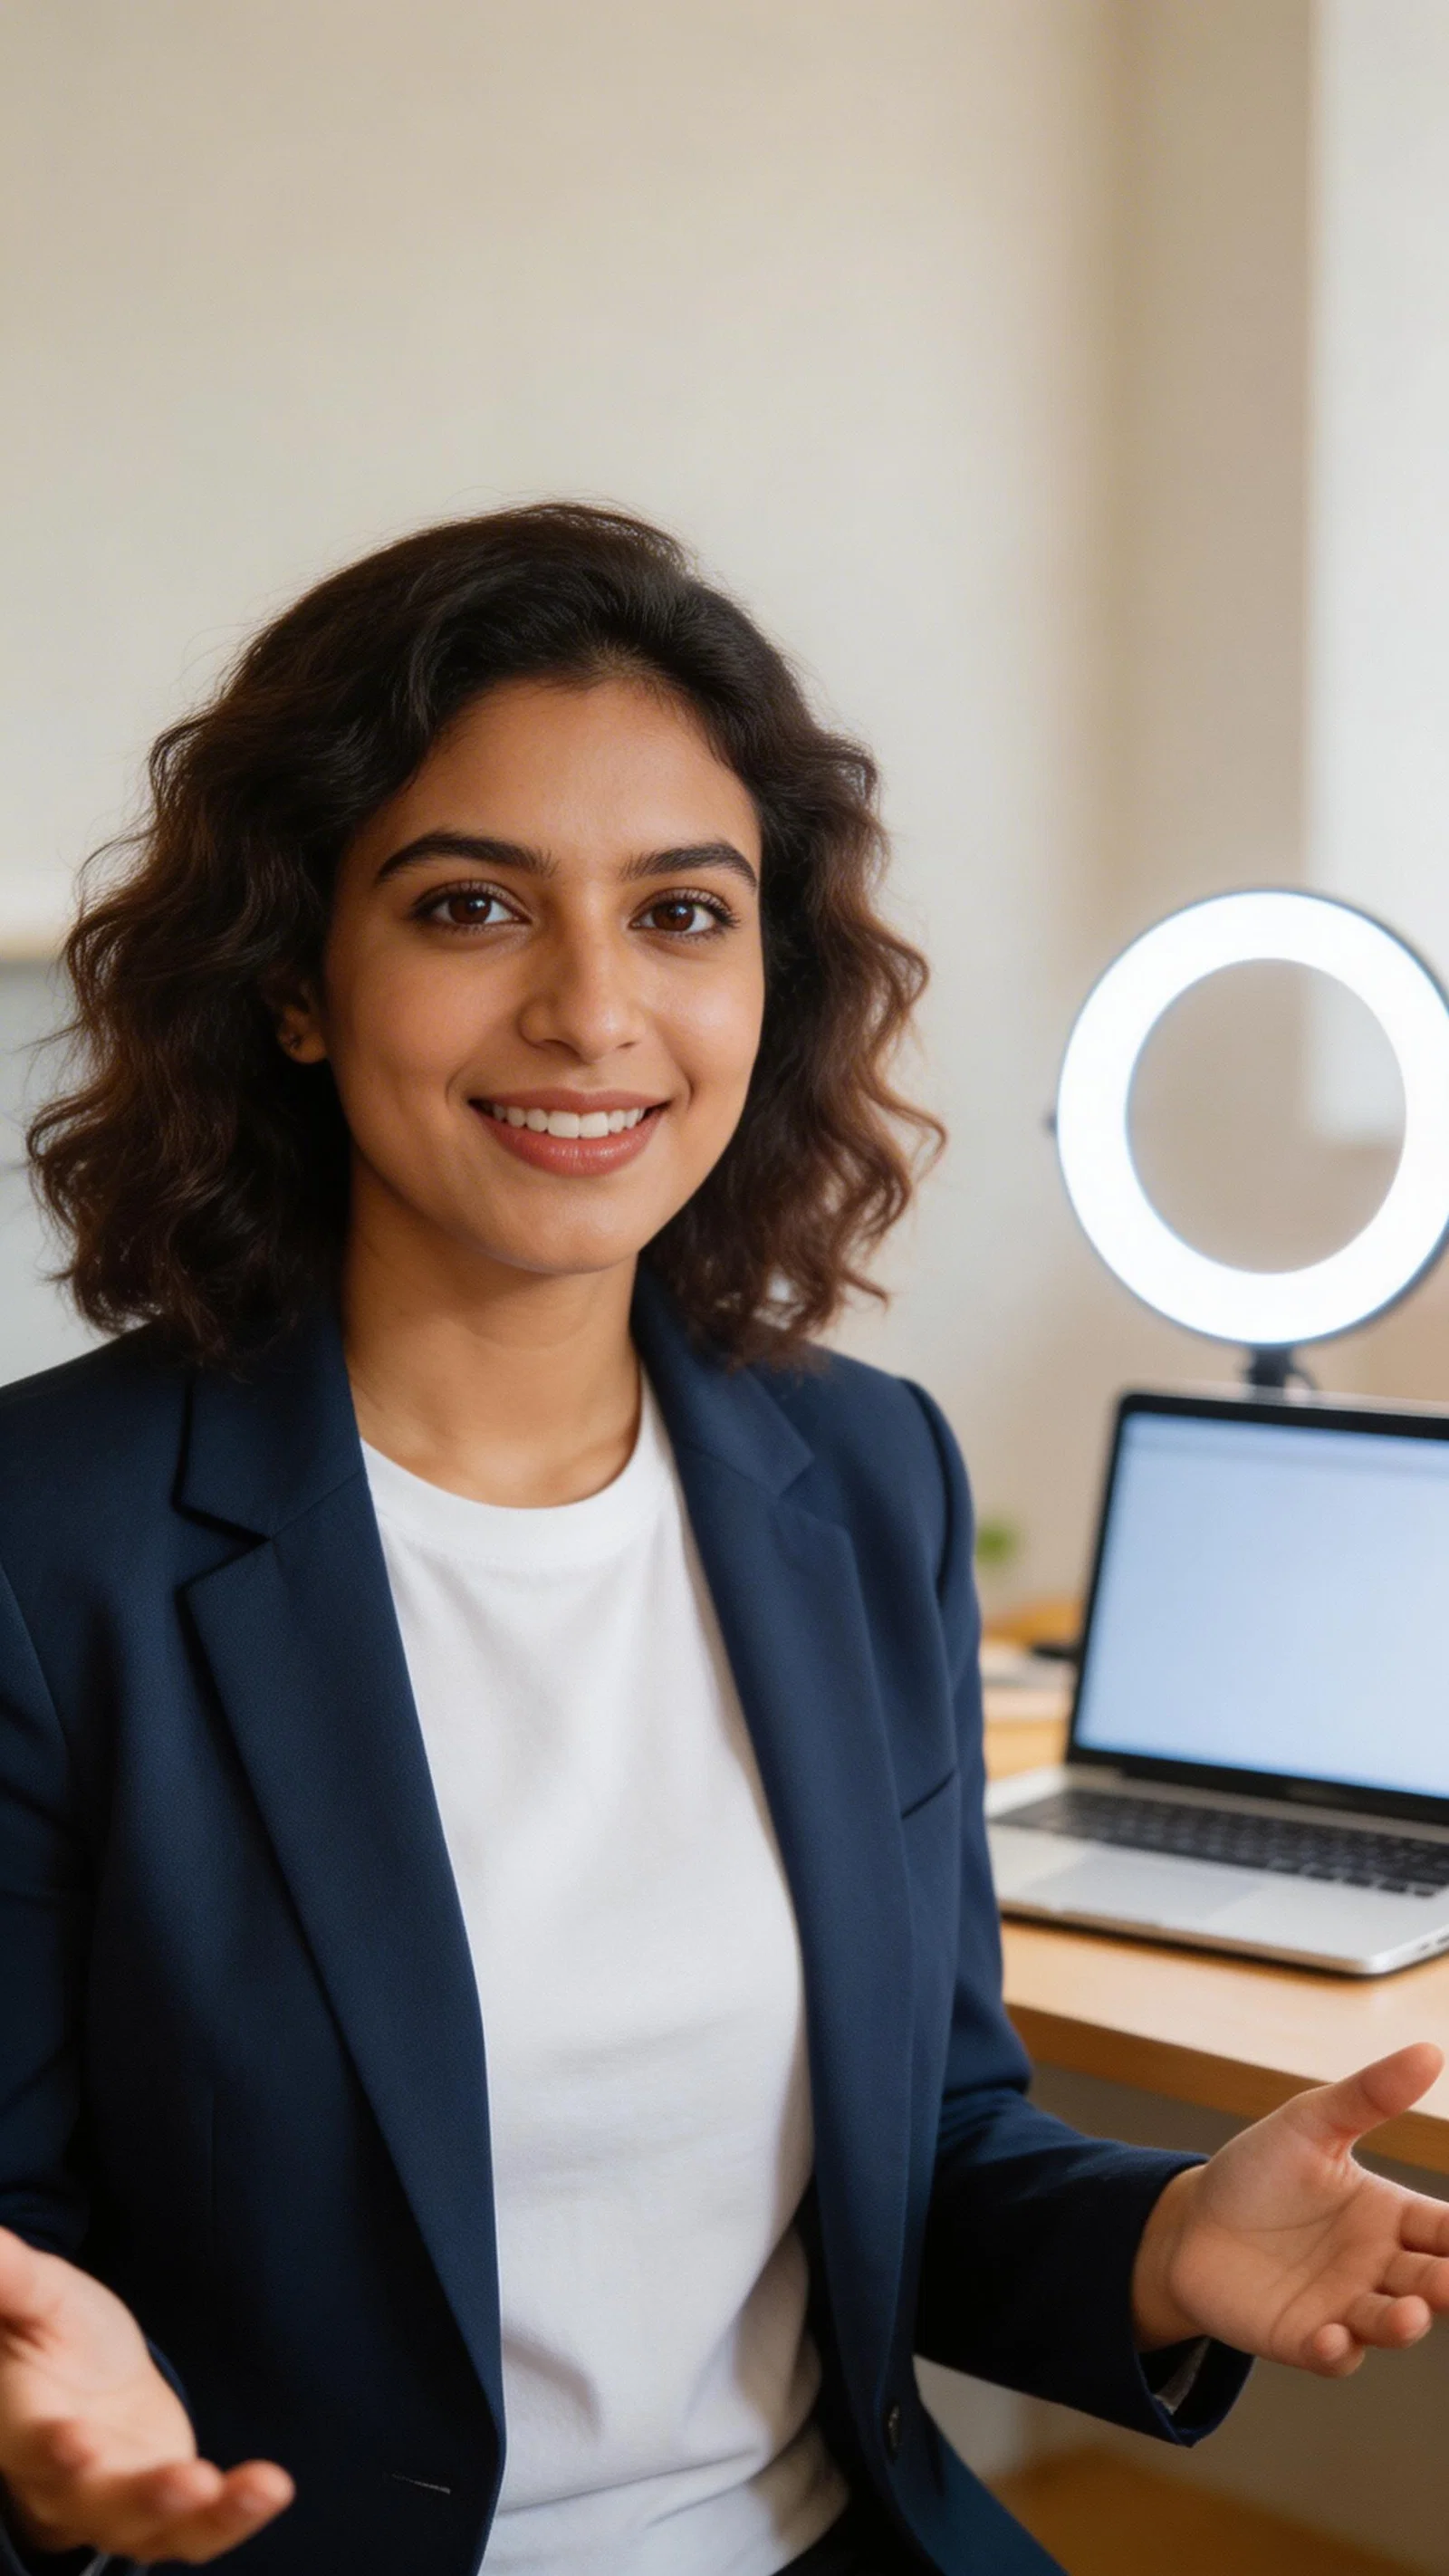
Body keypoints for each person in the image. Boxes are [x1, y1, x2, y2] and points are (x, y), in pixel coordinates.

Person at [1, 505, 1446, 2576]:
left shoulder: (862, 1476)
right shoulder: (49, 1553)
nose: (594, 1012)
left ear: (769, 975)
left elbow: (929, 2148)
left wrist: (1160, 2242)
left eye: (681, 913)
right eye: (471, 907)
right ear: (297, 980)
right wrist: (45, 2461)